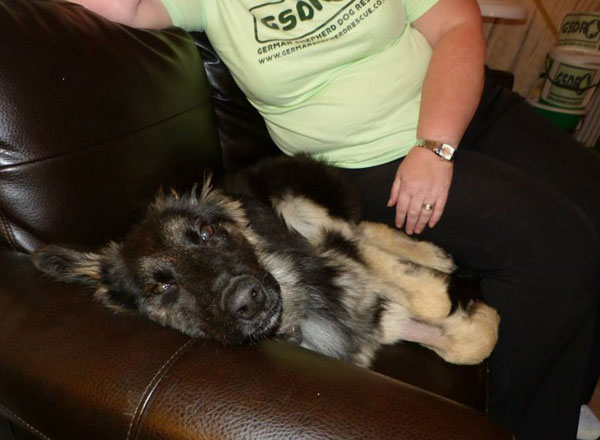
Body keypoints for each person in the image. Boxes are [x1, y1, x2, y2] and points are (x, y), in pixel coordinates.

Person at [67, 0, 600, 438]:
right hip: (373, 159)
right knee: (555, 246)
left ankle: (563, 390)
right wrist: (426, 155)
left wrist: (436, 143)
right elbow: (125, 6)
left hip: (465, 115)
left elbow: (458, 23)